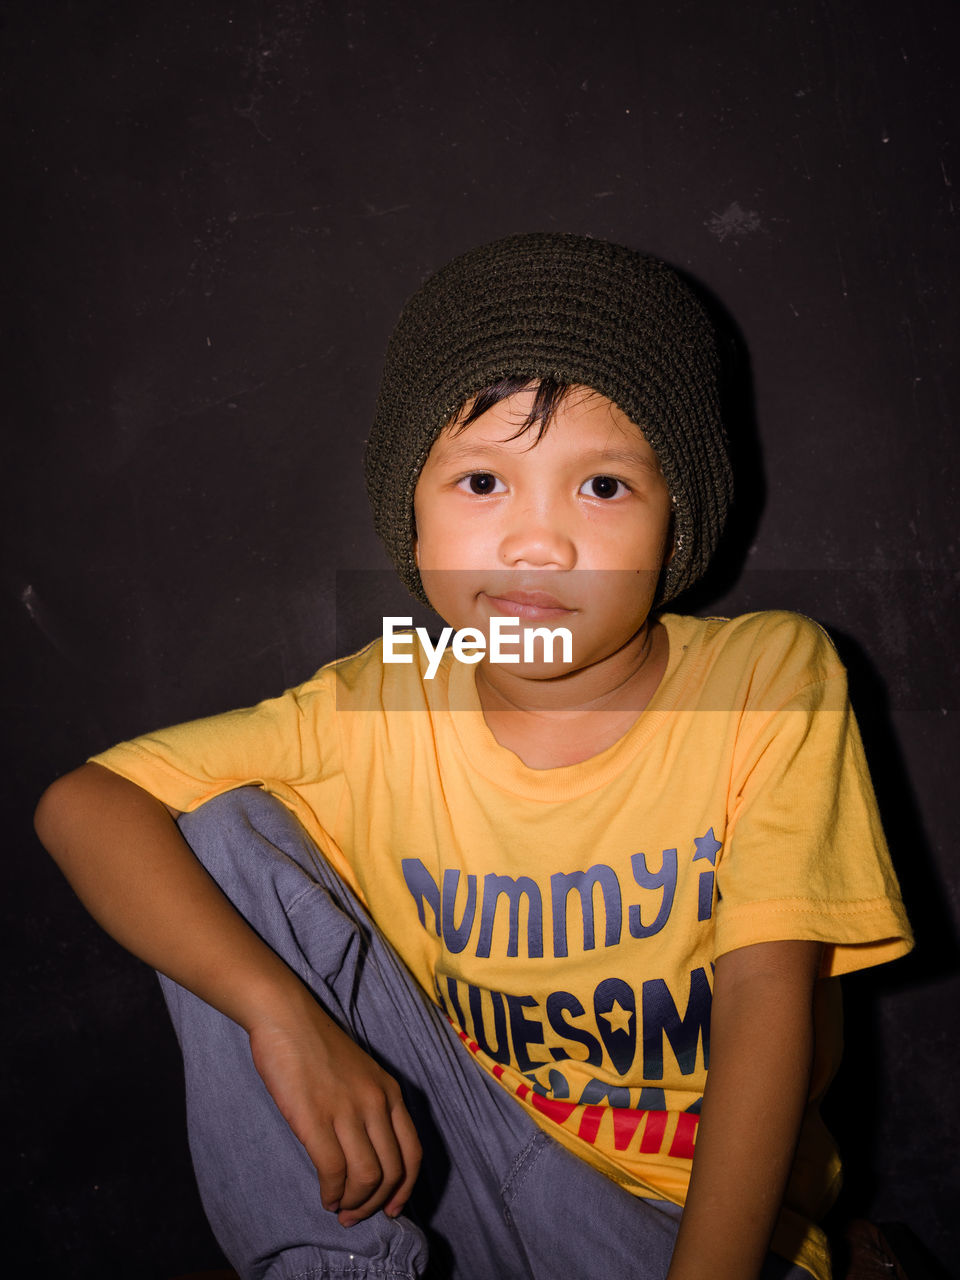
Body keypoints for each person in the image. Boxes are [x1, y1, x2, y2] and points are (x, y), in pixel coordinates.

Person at [34, 233, 912, 1280]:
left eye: (603, 487)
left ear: (681, 520)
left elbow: (770, 1009)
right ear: (410, 507)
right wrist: (278, 1014)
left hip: (681, 1227)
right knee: (221, 827)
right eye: (484, 479)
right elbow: (84, 801)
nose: (536, 543)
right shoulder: (384, 695)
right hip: (463, 1170)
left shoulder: (764, 675)